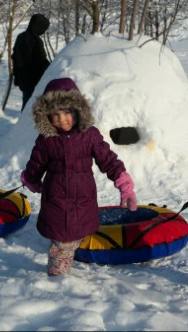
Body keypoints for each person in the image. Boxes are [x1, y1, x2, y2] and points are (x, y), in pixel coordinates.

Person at [20, 77, 137, 276]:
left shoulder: (89, 136)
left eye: (67, 112)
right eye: (55, 114)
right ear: (47, 116)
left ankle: (64, 256)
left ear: (77, 110)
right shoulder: (47, 140)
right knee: (63, 240)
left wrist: (124, 184)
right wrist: (31, 179)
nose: (61, 119)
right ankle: (57, 277)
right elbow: (37, 163)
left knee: (74, 232)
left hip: (82, 197)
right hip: (56, 199)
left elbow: (107, 159)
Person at [12, 13, 51, 111]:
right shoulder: (36, 40)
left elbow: (14, 58)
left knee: (26, 104)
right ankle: (25, 125)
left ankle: (22, 124)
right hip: (35, 80)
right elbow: (41, 60)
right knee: (32, 107)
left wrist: (17, 77)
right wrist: (52, 68)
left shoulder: (20, 37)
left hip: (23, 79)